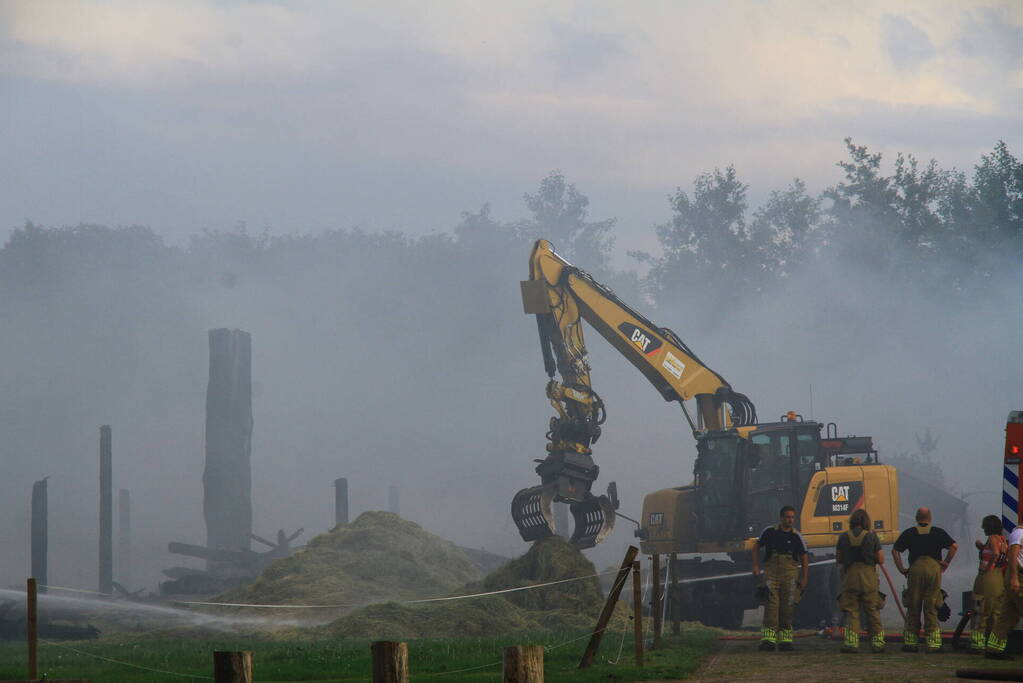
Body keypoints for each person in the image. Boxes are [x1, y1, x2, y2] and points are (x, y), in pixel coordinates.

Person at [892, 507, 958, 653]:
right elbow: (954, 546)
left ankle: (910, 643)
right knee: (931, 605)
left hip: (915, 569)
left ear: (916, 517)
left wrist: (902, 569)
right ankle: (933, 645)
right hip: (933, 568)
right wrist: (946, 562)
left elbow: (895, 550)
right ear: (930, 518)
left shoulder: (909, 533)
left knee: (913, 605)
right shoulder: (938, 532)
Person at [752, 505, 809, 651]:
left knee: (787, 609)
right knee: (771, 607)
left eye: (792, 517)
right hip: (771, 575)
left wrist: (804, 578)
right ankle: (768, 641)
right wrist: (756, 566)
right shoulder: (769, 532)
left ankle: (785, 641)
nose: (790, 520)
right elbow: (755, 547)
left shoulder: (797, 537)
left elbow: (804, 558)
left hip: (790, 577)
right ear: (781, 518)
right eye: (788, 517)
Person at [836, 508, 885, 653]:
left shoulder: (844, 537)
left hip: (850, 576)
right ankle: (877, 644)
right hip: (868, 577)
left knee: (852, 611)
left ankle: (851, 643)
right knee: (872, 610)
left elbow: (838, 558)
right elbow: (881, 559)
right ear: (866, 522)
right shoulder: (872, 536)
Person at [985, 521, 1023, 659]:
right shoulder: (1020, 533)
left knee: (1007, 615)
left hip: (1016, 576)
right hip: (1019, 576)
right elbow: (1013, 554)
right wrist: (1014, 577)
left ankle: (993, 649)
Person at [969, 515, 1007, 653]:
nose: (982, 528)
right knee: (995, 612)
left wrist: (987, 567)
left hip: (986, 578)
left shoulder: (991, 538)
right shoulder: (1002, 540)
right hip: (999, 579)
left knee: (980, 610)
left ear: (988, 527)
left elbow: (995, 554)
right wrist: (982, 547)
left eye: (984, 526)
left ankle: (977, 644)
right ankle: (994, 645)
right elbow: (997, 552)